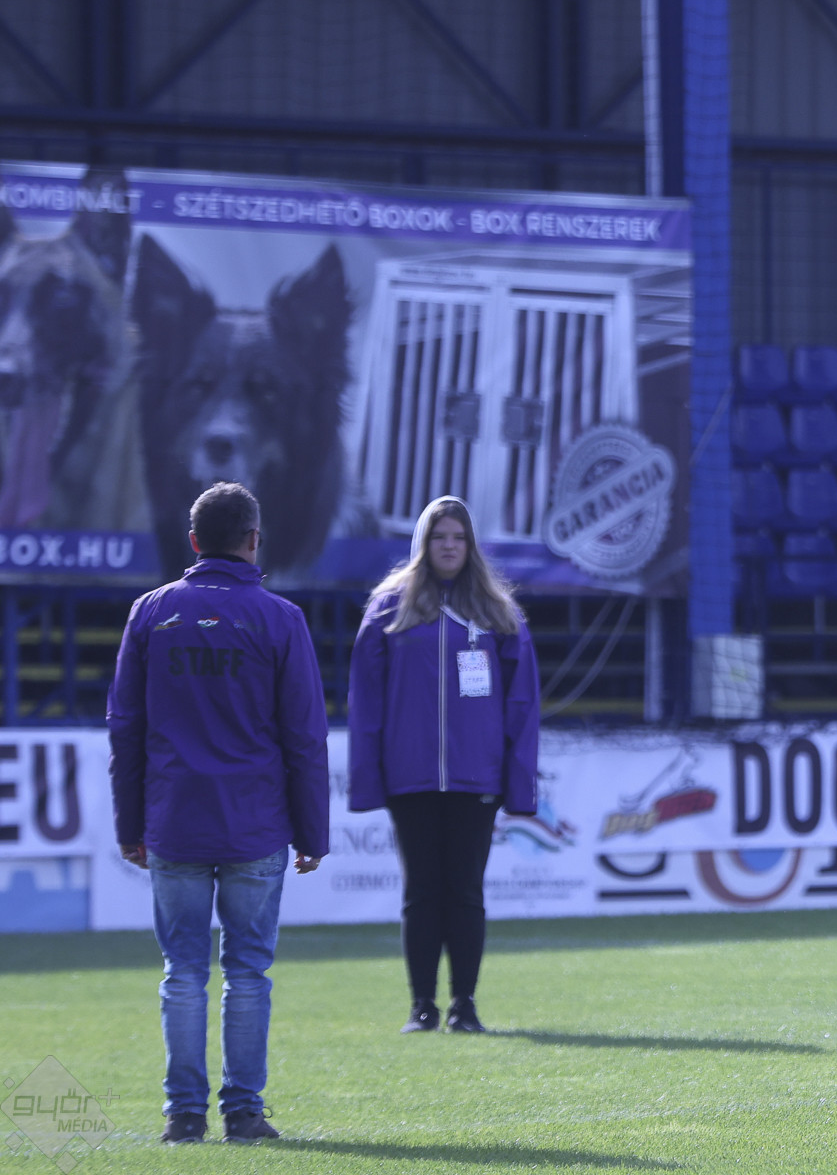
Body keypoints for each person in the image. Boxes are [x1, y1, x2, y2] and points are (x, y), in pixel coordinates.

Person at [107, 481, 330, 1145]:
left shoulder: (151, 612)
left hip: (173, 819)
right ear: (254, 539)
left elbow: (126, 729)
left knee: (182, 971)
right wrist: (312, 831)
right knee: (247, 973)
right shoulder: (281, 618)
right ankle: (243, 1113)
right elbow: (304, 737)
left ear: (194, 540)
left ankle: (183, 1114)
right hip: (254, 824)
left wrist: (129, 826)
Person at [348, 495, 540, 1035]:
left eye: (458, 538)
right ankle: (421, 1007)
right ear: (423, 543)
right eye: (439, 537)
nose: (449, 547)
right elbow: (366, 699)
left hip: (476, 777)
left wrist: (518, 783)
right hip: (409, 776)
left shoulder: (498, 611)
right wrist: (369, 778)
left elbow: (522, 704)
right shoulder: (389, 606)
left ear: (471, 545)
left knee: (466, 892)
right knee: (421, 892)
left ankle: (465, 1006)